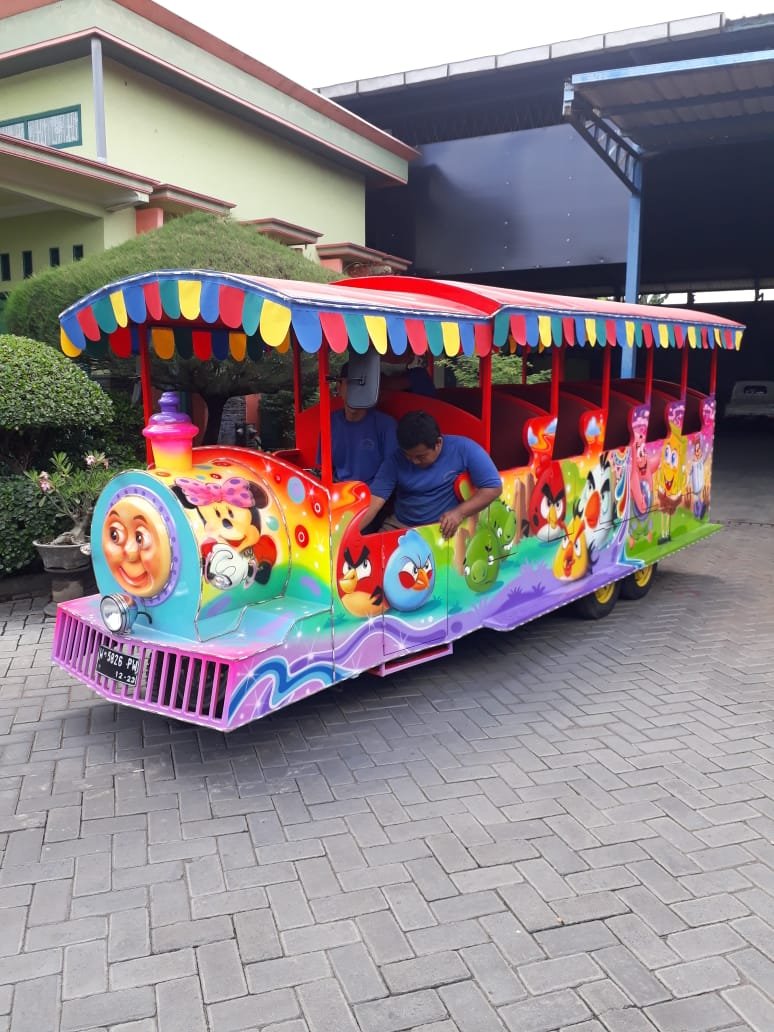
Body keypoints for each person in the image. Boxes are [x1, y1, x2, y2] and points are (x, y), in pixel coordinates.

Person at [362, 410, 502, 539]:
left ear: (438, 443)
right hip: (400, 525)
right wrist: (352, 532)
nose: (414, 461)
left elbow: (493, 487)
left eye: (420, 456)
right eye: (408, 455)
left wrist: (459, 512)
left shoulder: (464, 449)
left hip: (444, 527)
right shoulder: (395, 460)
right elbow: (375, 500)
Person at [325, 362, 397, 486]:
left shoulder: (387, 425)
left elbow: (390, 473)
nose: (356, 391)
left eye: (361, 384)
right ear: (339, 388)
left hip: (373, 493)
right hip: (339, 490)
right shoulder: (330, 423)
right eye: (350, 384)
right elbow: (325, 468)